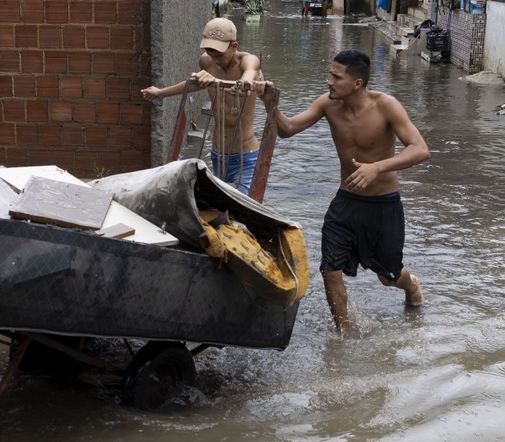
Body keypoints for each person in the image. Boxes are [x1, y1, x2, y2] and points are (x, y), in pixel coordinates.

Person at [261, 48, 428, 333]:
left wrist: (376, 167)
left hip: (383, 204)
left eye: (335, 77)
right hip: (346, 201)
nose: (329, 81)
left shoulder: (386, 105)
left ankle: (410, 284)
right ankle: (344, 334)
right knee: (330, 268)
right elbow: (287, 129)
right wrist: (269, 102)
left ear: (357, 84)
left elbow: (421, 149)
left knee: (387, 277)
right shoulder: (327, 104)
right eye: (330, 74)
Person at [140, 17, 265, 195]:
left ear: (234, 46)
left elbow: (245, 83)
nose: (215, 60)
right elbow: (195, 84)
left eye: (219, 55)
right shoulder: (206, 62)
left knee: (242, 209)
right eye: (210, 53)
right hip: (218, 154)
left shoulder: (248, 61)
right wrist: (161, 93)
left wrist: (216, 81)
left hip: (246, 156)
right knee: (219, 207)